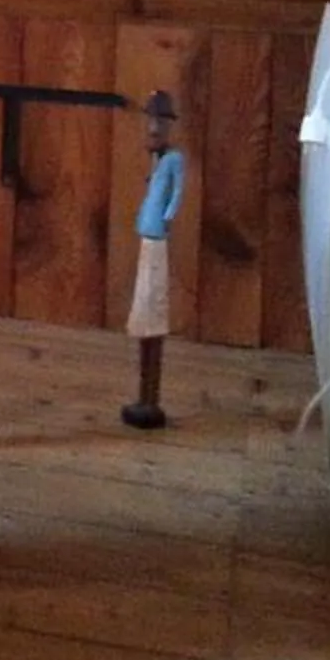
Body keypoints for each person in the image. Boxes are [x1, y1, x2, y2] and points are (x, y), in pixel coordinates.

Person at [123, 90, 185, 429]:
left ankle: (150, 397)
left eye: (159, 121)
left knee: (152, 309)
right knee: (144, 308)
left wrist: (168, 216)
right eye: (151, 120)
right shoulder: (156, 159)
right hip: (147, 228)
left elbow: (177, 191)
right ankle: (144, 396)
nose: (153, 127)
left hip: (156, 233)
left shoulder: (173, 159)